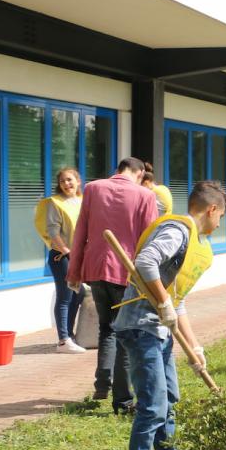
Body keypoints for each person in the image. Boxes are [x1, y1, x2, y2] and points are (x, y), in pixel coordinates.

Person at [113, 180, 226, 450]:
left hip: (158, 330)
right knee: (152, 404)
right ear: (212, 209)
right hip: (139, 327)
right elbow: (146, 262)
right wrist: (162, 303)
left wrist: (194, 348)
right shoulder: (179, 231)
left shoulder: (192, 242)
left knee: (170, 398)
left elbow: (176, 302)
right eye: (221, 217)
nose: (219, 225)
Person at [67, 156, 158, 415]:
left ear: (117, 170)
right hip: (126, 271)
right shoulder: (145, 196)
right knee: (126, 333)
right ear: (139, 173)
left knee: (107, 329)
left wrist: (74, 271)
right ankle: (122, 400)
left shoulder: (93, 188)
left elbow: (80, 232)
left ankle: (102, 384)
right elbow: (148, 240)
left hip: (95, 268)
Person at [34, 167, 86, 353]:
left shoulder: (82, 201)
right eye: (63, 181)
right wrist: (67, 252)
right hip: (61, 257)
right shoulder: (55, 203)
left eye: (70, 180)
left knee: (78, 294)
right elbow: (52, 231)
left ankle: (69, 335)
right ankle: (63, 340)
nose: (66, 184)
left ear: (78, 181)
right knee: (65, 296)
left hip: (79, 257)